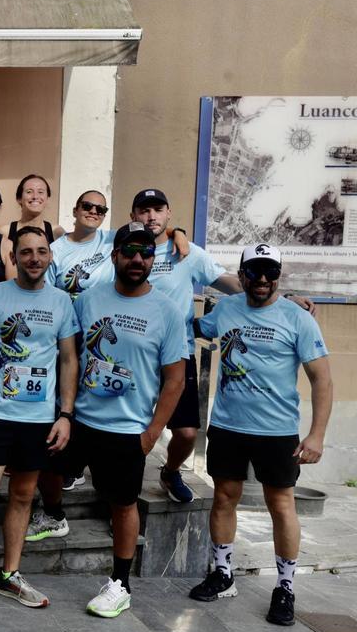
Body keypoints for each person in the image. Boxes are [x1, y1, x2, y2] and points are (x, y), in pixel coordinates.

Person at [130, 188, 313, 506]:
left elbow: (231, 283)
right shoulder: (124, 248)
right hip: (133, 353)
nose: (151, 216)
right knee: (128, 427)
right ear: (133, 215)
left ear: (169, 213)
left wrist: (282, 298)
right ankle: (121, 488)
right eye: (144, 211)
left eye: (158, 210)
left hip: (177, 355)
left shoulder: (188, 253)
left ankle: (170, 471)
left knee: (187, 433)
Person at [189, 244, 332, 627]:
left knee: (281, 505)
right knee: (224, 498)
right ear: (242, 275)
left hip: (277, 431)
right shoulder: (226, 309)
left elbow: (322, 379)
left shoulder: (298, 318)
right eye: (255, 271)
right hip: (228, 426)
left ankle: (285, 587)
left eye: (271, 272)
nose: (263, 279)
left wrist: (316, 435)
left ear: (279, 276)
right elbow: (192, 327)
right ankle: (223, 574)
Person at [0, 227, 78, 613]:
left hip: (38, 420)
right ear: (13, 257)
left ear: (50, 257)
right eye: (26, 252)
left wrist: (65, 415)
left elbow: (69, 359)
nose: (34, 258)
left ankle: (10, 575)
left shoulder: (61, 302)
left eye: (41, 251)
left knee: (23, 496)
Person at [63, 222, 185, 618]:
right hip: (81, 419)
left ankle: (120, 583)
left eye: (145, 253)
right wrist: (64, 411)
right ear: (114, 255)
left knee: (123, 504)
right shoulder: (88, 300)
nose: (137, 259)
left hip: (128, 429)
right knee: (44, 473)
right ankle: (52, 515)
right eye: (129, 251)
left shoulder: (167, 310)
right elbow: (70, 355)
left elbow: (176, 379)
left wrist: (153, 432)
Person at [0, 175, 64, 281]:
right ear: (19, 199)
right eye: (29, 192)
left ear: (47, 198)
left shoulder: (57, 232)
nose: (35, 196)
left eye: (41, 192)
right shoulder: (4, 231)